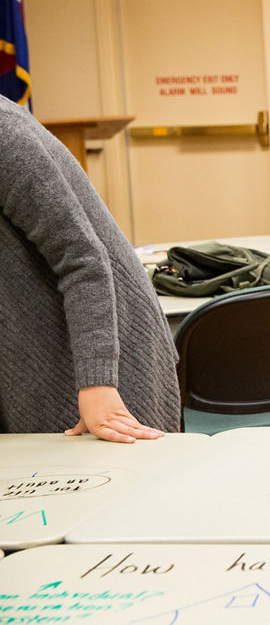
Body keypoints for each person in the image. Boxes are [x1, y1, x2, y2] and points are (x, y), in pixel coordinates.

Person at [0, 96, 181, 441]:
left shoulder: (4, 133)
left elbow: (83, 260)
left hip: (104, 355)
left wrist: (97, 380)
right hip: (24, 354)